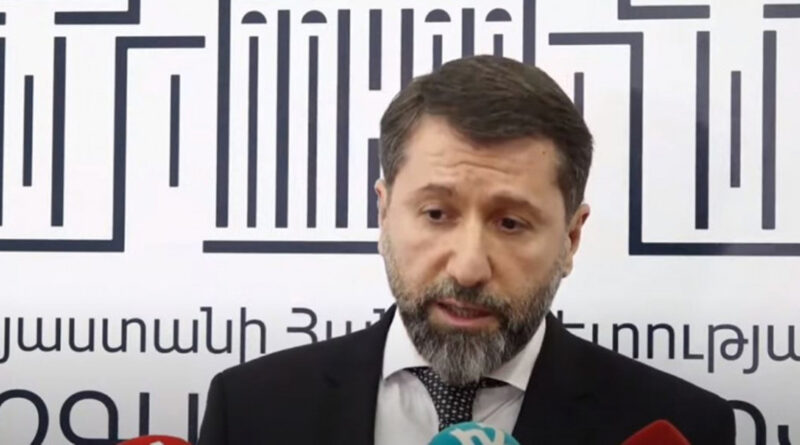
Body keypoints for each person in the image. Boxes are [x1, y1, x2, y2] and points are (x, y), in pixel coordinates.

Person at [198, 55, 735, 445]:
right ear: (384, 213)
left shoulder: (681, 425)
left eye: (511, 223)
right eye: (436, 214)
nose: (469, 267)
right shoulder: (249, 410)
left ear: (571, 238)